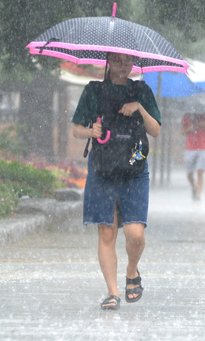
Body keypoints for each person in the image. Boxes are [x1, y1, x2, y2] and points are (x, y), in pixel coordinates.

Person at [71, 53, 161, 310]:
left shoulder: (140, 89)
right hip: (103, 168)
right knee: (107, 231)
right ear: (108, 60)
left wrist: (139, 107)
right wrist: (91, 131)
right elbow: (76, 129)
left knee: (136, 234)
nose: (123, 67)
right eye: (118, 61)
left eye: (127, 61)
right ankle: (112, 292)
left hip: (134, 169)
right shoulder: (94, 91)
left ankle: (132, 271)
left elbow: (155, 130)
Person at [181, 113, 205, 201]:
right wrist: (189, 128)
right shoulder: (187, 116)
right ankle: (194, 187)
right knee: (189, 173)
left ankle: (198, 194)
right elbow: (182, 131)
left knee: (200, 171)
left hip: (202, 147)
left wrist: (204, 126)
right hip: (189, 148)